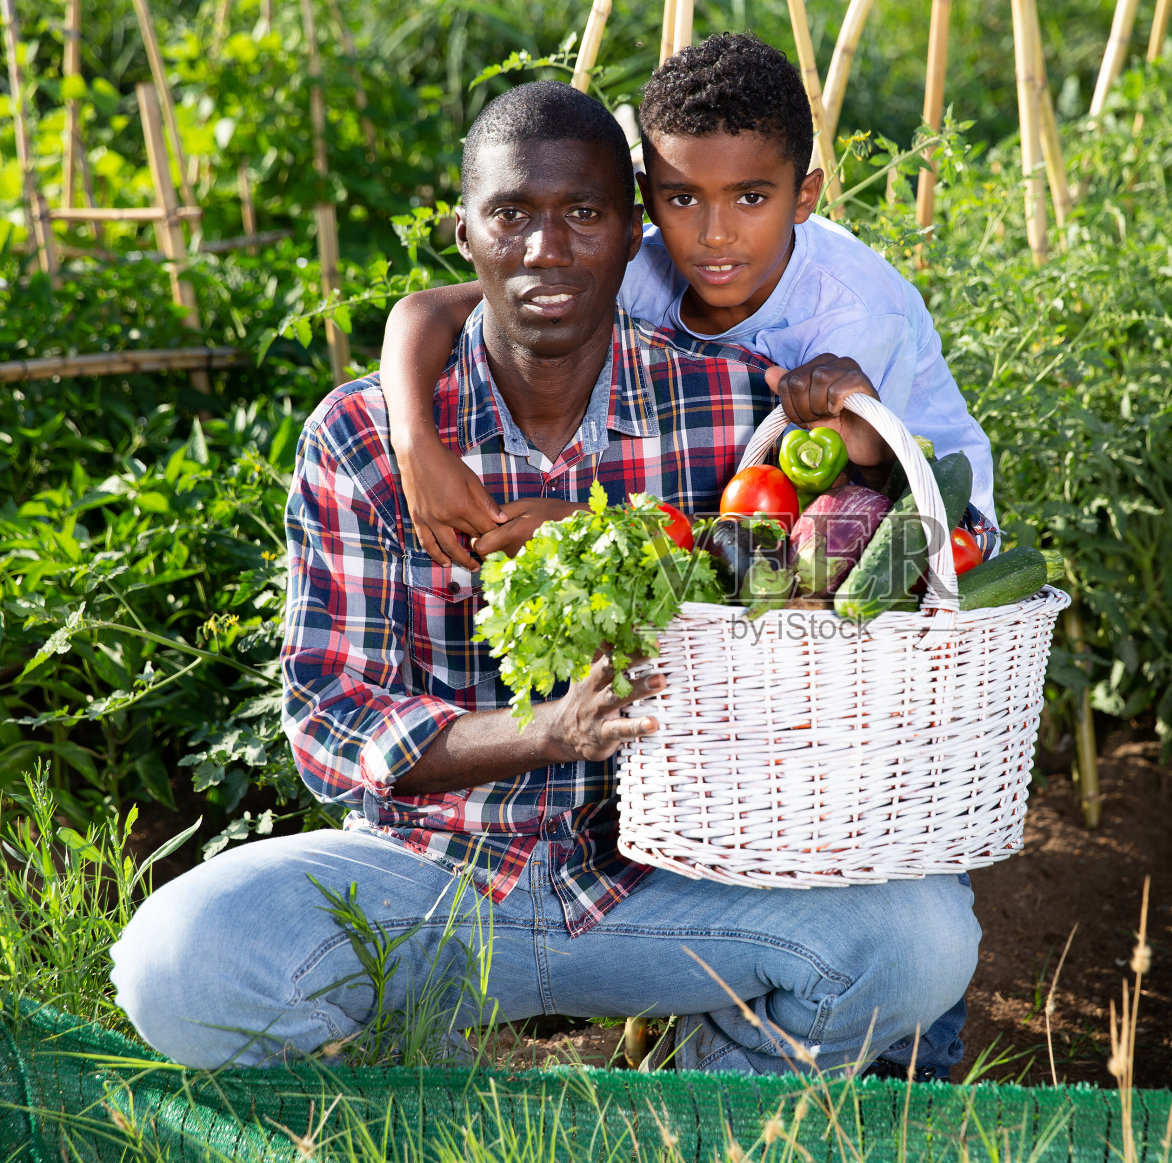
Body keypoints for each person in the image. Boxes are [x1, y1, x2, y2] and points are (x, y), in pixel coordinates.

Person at [107, 80, 979, 1075]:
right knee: (179, 961)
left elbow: (818, 594)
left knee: (922, 938)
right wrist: (545, 729)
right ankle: (410, 1080)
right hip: (428, 876)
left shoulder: (734, 406)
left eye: (583, 215)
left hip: (665, 884)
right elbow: (329, 723)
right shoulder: (364, 437)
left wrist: (857, 438)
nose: (546, 249)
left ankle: (714, 1100)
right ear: (465, 232)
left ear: (628, 232)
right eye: (511, 214)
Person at [381, 32, 996, 583]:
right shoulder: (637, 265)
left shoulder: (854, 316)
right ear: (646, 201)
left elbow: (836, 531)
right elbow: (434, 309)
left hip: (933, 537)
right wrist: (414, 442)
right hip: (751, 536)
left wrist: (592, 532)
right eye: (683, 199)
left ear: (805, 195)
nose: (715, 235)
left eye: (751, 197)